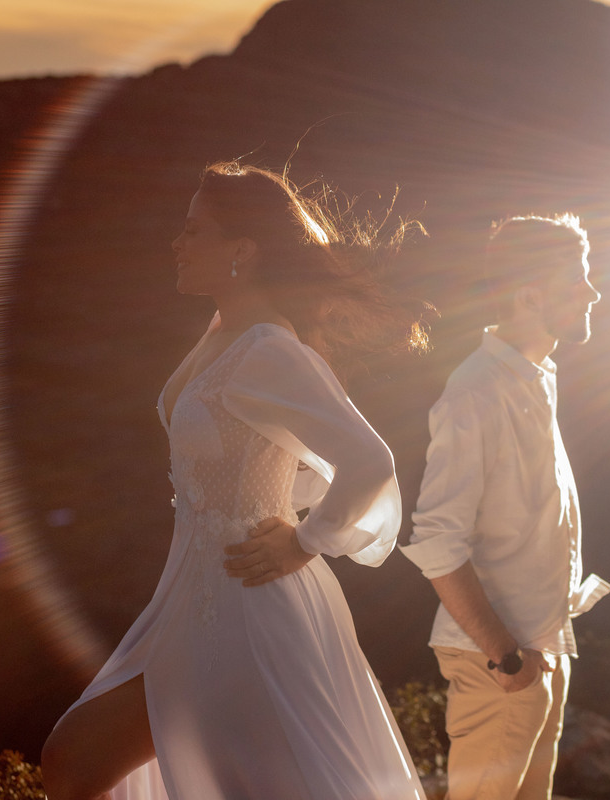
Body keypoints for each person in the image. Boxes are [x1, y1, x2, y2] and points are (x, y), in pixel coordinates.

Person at [42, 161, 430, 800]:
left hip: (248, 605)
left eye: (194, 230)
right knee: (78, 763)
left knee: (77, 761)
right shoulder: (225, 333)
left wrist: (304, 541)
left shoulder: (268, 349)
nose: (176, 243)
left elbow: (370, 461)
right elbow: (256, 458)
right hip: (194, 599)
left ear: (242, 251)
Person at [400, 214, 610, 800]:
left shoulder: (533, 377)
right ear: (529, 296)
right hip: (498, 661)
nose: (592, 293)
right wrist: (506, 658)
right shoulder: (477, 392)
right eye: (578, 279)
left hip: (543, 645)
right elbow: (436, 540)